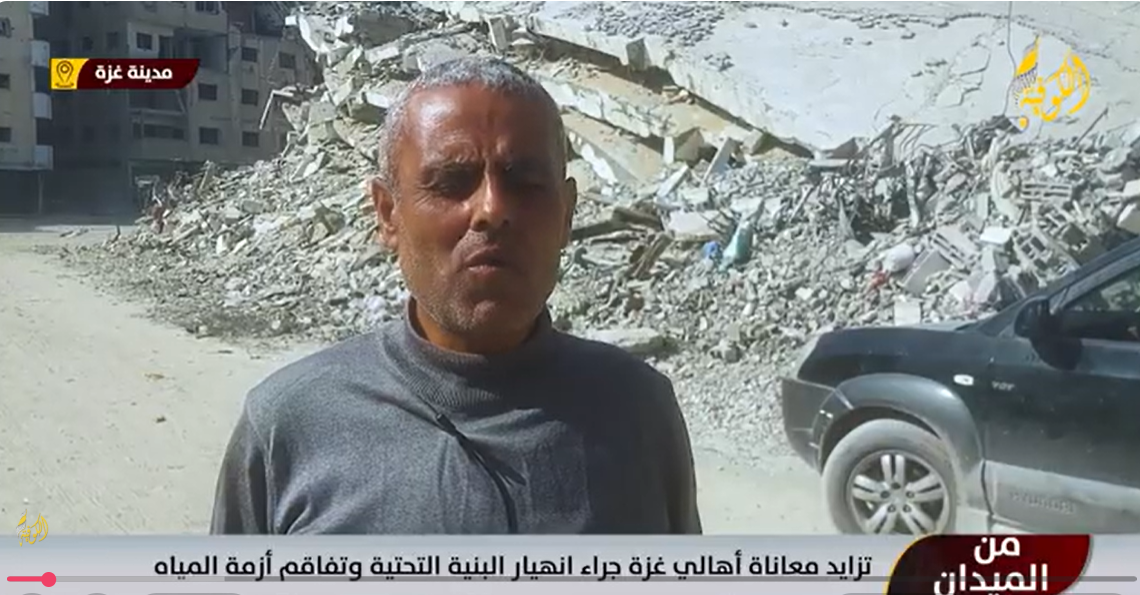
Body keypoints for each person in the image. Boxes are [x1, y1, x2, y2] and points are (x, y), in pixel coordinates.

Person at [210, 57, 702, 534]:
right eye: (451, 183)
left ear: (567, 213)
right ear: (388, 214)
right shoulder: (288, 425)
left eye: (526, 182)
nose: (491, 209)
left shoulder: (637, 412)